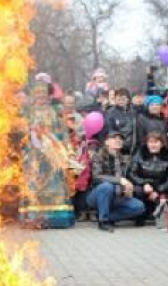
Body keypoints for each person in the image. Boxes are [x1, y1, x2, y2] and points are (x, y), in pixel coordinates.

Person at [17, 83, 75, 229]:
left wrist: (68, 150)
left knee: (54, 185)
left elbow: (64, 133)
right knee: (34, 186)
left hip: (53, 155)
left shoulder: (57, 112)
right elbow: (22, 133)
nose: (41, 95)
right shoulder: (27, 112)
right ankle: (33, 218)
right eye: (38, 92)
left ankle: (56, 219)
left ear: (49, 95)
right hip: (34, 156)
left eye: (44, 92)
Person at [86, 131, 145, 232]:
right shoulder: (98, 156)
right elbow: (97, 177)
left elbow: (131, 177)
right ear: (106, 142)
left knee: (139, 207)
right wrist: (120, 180)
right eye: (114, 138)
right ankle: (103, 221)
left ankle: (107, 216)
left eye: (120, 138)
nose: (118, 140)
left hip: (118, 196)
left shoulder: (126, 159)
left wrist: (130, 188)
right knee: (107, 186)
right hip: (97, 195)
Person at [128, 131, 168, 224]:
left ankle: (157, 214)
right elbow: (132, 173)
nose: (153, 145)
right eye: (150, 142)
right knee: (138, 191)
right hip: (144, 186)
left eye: (156, 142)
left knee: (164, 197)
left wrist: (158, 190)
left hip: (162, 187)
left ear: (162, 144)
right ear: (147, 143)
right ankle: (140, 215)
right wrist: (144, 184)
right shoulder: (139, 155)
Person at [106, 88, 138, 158]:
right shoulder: (111, 113)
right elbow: (111, 131)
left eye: (123, 99)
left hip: (134, 147)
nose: (121, 101)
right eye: (118, 99)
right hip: (119, 147)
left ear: (128, 99)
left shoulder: (134, 111)